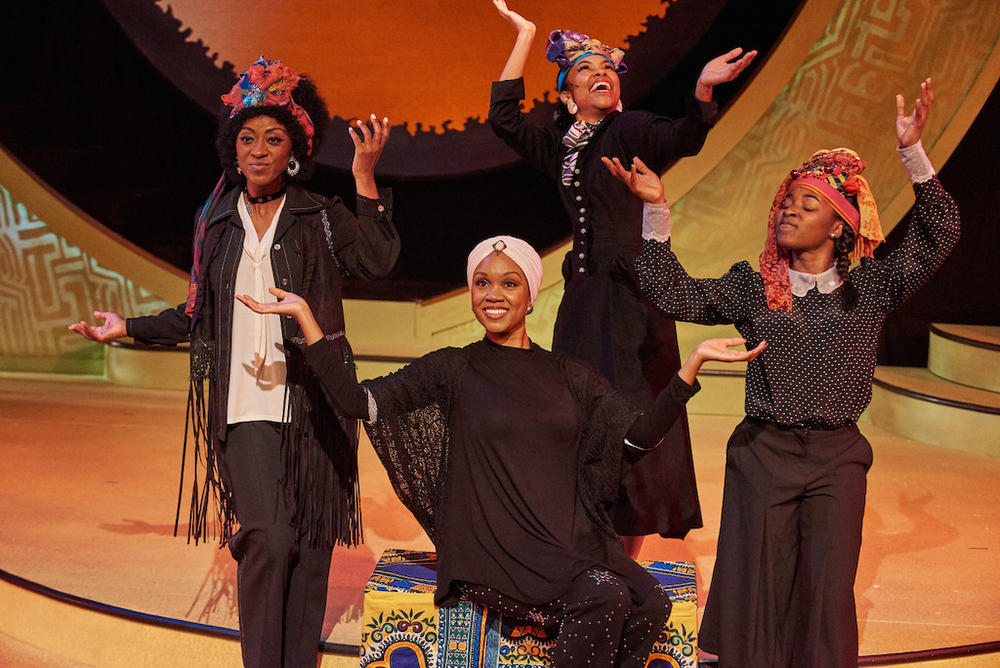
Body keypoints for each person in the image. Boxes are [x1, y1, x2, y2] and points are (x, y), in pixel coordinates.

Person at [237, 235, 764, 667]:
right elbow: (357, 401)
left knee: (652, 602)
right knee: (607, 596)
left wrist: (687, 371)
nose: (494, 294)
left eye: (509, 283)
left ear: (531, 295)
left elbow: (637, 437)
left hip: (564, 543)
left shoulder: (569, 374)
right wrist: (307, 319)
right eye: (482, 283)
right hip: (490, 547)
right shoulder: (453, 367)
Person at [607, 79, 960, 667]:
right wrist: (656, 209)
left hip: (836, 458)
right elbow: (670, 292)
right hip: (763, 453)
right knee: (756, 587)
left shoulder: (869, 287)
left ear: (841, 227)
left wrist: (912, 152)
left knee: (827, 589)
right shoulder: (755, 287)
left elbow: (942, 232)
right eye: (787, 202)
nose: (790, 211)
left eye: (809, 204)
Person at [69, 57, 399, 668]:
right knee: (269, 538)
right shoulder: (215, 222)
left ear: (295, 149)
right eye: (246, 137)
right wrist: (128, 327)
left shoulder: (320, 215)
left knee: (310, 544)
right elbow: (197, 313)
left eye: (273, 139)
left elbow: (378, 260)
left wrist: (365, 176)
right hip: (245, 406)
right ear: (232, 147)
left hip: (316, 401)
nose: (257, 149)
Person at [488, 0, 757, 555]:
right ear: (567, 94)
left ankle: (621, 562)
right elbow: (505, 120)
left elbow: (681, 135)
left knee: (634, 417)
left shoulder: (627, 129)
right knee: (577, 418)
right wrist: (525, 34)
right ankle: (586, 544)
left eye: (607, 68)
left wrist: (703, 90)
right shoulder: (565, 146)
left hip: (634, 301)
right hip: (585, 300)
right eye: (585, 70)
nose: (600, 74)